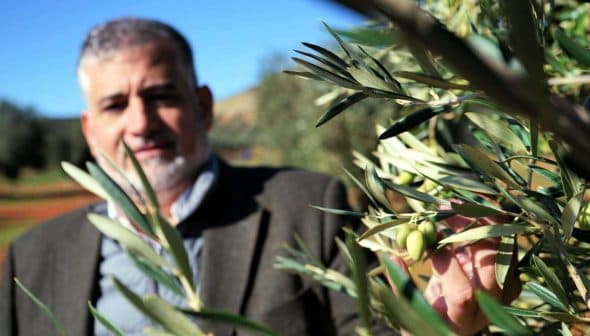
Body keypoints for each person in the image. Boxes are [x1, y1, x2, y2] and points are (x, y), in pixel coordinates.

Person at [0, 17, 514, 336]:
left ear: (202, 107)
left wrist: (435, 329)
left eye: (161, 96)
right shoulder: (33, 257)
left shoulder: (309, 206)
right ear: (89, 130)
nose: (140, 123)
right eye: (115, 104)